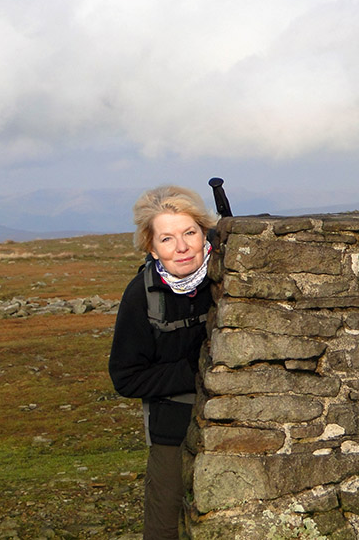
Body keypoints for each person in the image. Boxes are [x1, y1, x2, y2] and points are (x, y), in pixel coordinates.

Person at [108, 185, 218, 539]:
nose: (182, 247)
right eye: (167, 239)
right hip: (172, 431)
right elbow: (126, 378)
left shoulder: (235, 279)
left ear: (206, 232)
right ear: (151, 246)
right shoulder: (141, 294)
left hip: (241, 425)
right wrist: (193, 372)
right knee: (164, 528)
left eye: (189, 233)